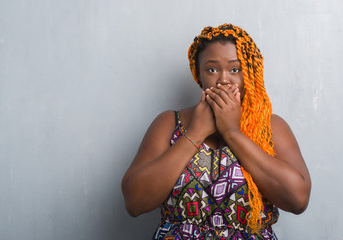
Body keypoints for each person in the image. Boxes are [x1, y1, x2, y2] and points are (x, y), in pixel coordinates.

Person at [122, 23, 311, 239]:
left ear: (249, 73)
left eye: (235, 69)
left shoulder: (271, 127)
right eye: (212, 69)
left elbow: (298, 200)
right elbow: (134, 203)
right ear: (198, 73)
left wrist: (232, 132)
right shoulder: (169, 123)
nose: (223, 79)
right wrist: (194, 134)